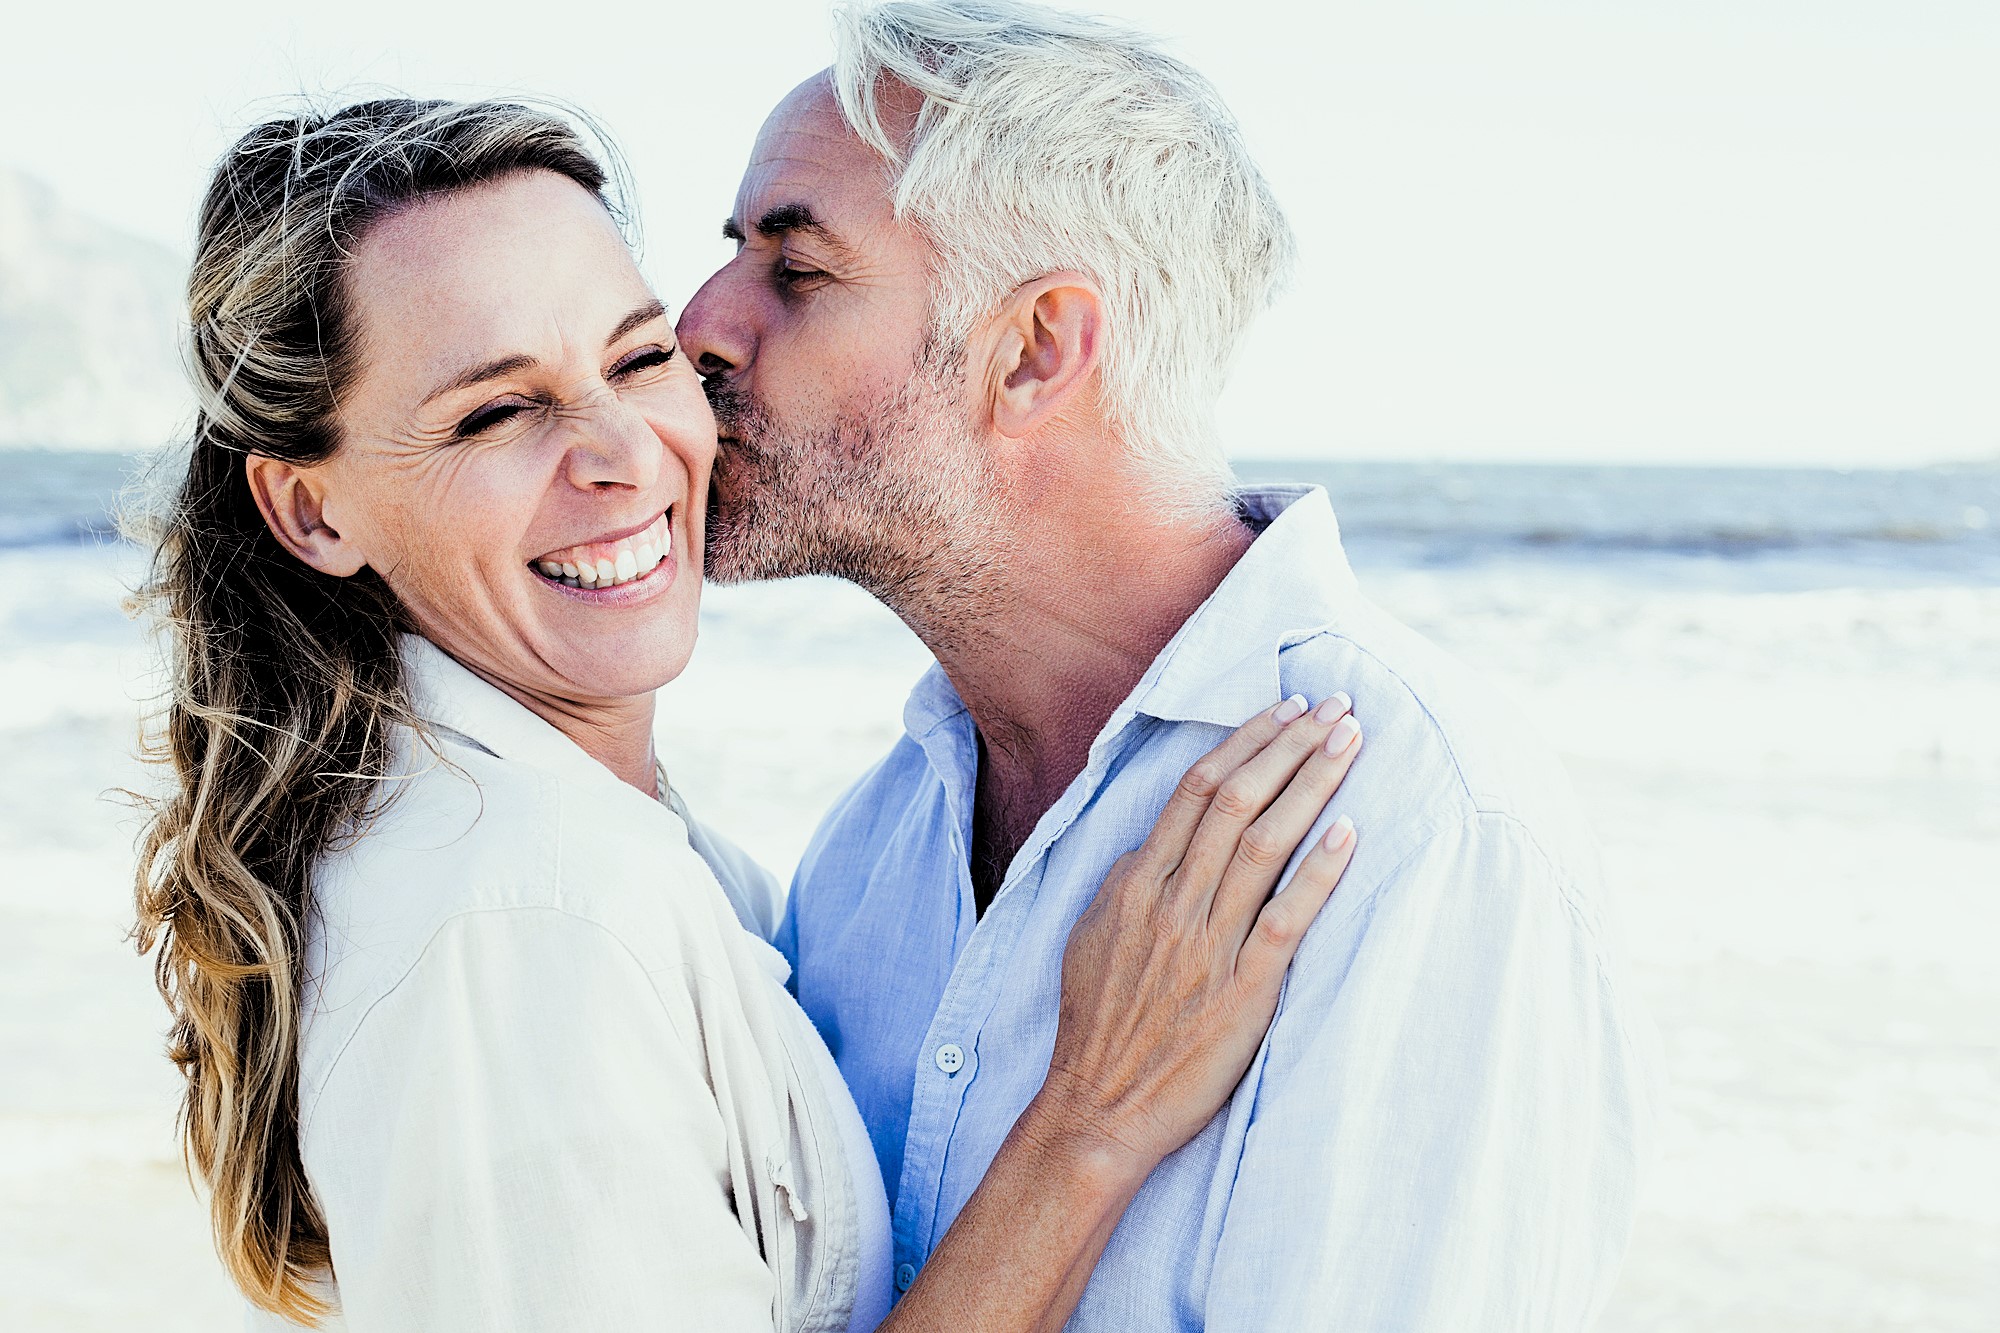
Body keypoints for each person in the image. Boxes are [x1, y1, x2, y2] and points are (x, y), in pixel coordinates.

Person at [131, 98, 1367, 1331]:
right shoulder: (528, 915)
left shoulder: (597, 843)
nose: (625, 452)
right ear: (310, 509)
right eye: (495, 413)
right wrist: (1092, 1121)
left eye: (635, 357)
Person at [676, 1, 1659, 1328]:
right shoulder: (866, 856)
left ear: (1033, 349)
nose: (698, 327)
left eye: (795, 271)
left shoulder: (1404, 827)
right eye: (730, 253)